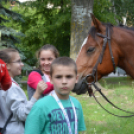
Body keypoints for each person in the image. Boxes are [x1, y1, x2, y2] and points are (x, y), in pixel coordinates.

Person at [25, 57, 86, 134]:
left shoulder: (76, 104)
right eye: (58, 77)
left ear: (76, 79)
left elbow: (80, 131)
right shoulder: (40, 106)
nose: (64, 81)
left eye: (69, 77)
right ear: (51, 79)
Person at [0, 48, 47, 134]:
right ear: (7, 66)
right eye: (18, 61)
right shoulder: (11, 87)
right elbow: (22, 114)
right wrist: (37, 94)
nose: (22, 64)